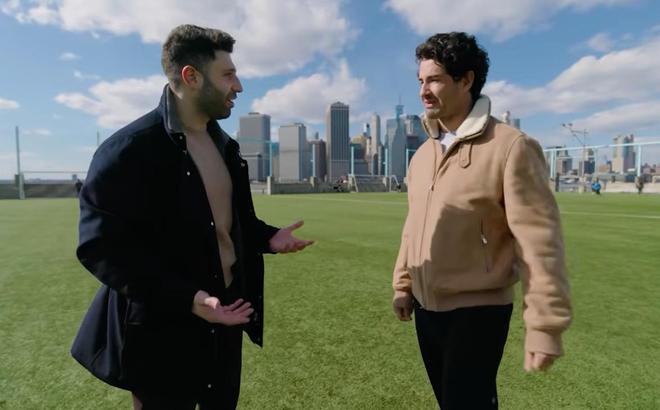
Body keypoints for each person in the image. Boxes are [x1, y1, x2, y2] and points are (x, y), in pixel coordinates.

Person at [71, 24, 313, 410]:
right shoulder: (127, 152)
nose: (239, 86)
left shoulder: (226, 147)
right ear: (191, 77)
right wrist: (190, 299)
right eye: (228, 74)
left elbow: (229, 223)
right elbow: (101, 248)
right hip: (161, 329)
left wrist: (268, 238)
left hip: (226, 315)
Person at [392, 32, 572, 409]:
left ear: (466, 80)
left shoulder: (511, 146)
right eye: (421, 81)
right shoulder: (422, 156)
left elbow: (539, 241)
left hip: (478, 312)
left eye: (435, 79)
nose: (424, 91)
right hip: (426, 309)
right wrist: (403, 284)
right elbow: (414, 225)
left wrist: (544, 326)